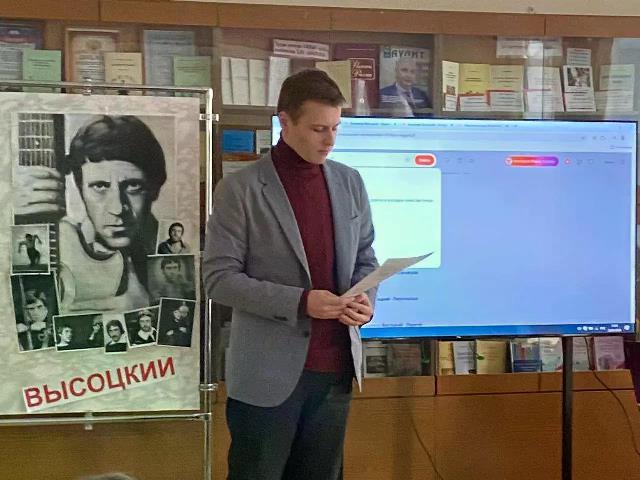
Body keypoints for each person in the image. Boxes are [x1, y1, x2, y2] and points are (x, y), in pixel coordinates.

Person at [203, 69, 378, 480]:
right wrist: (301, 302)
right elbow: (219, 278)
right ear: (285, 121)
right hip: (266, 378)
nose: (330, 140)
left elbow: (366, 258)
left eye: (336, 128)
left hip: (335, 372)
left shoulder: (350, 182)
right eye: (319, 129)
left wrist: (365, 301)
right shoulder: (241, 189)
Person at [54, 115, 167, 313]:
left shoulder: (173, 249)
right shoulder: (61, 240)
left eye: (133, 186)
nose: (117, 208)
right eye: (100, 186)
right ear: (80, 189)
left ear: (154, 189)